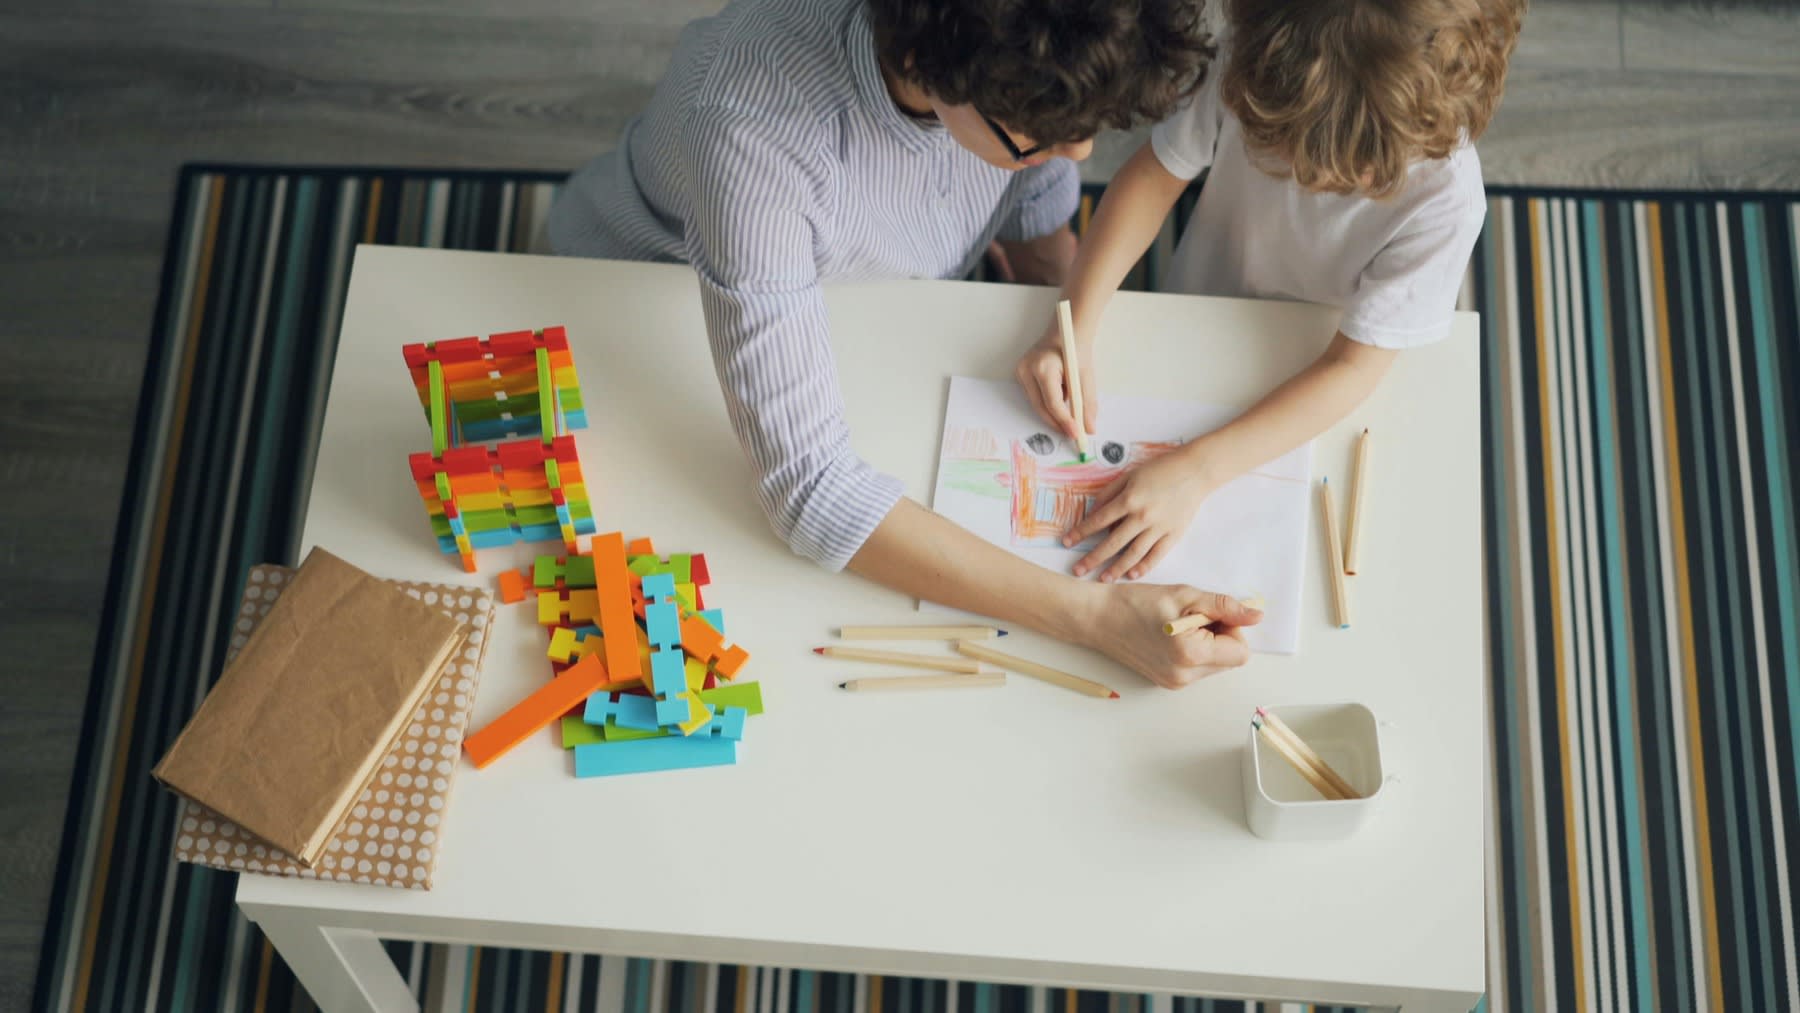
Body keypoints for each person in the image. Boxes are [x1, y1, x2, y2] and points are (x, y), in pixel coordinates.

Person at [549, 0, 1261, 687]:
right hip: (651, 303)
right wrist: (1096, 617)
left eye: (1086, 129)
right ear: (925, 62)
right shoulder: (750, 125)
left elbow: (1039, 173)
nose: (1076, 151)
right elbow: (810, 489)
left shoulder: (1012, 71)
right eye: (1039, 135)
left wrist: (1062, 303)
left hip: (883, 295)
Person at [1020, 0, 1522, 583]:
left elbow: (1353, 368)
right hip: (1203, 304)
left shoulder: (1448, 204)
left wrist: (1198, 471)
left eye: (1351, 171)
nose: (1315, 182)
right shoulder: (1249, 58)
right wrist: (1073, 325)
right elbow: (1155, 176)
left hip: (1313, 376)